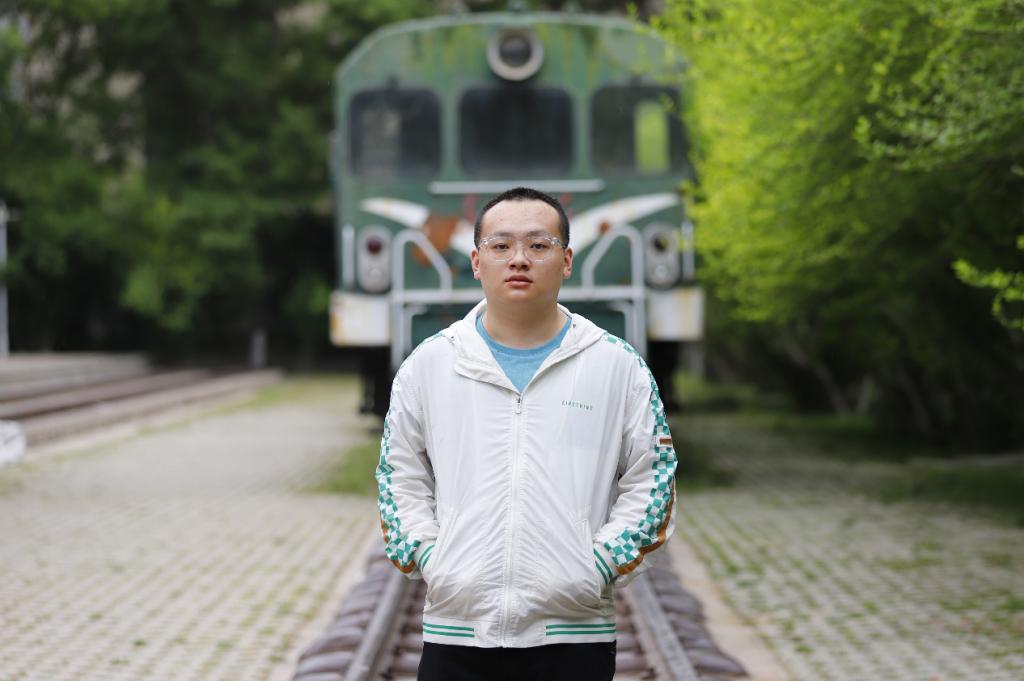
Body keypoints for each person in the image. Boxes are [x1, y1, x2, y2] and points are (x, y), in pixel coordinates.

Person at [375, 186, 677, 681]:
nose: (519, 259)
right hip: (456, 633)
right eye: (501, 246)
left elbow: (654, 478)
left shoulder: (616, 365)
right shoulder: (429, 364)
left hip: (574, 635)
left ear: (566, 260)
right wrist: (432, 558)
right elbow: (398, 475)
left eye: (539, 245)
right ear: (476, 262)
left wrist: (597, 566)